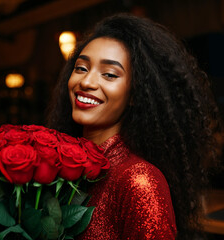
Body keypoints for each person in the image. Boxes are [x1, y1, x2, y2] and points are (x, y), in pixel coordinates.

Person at [47, 14, 222, 239]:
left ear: (135, 94)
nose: (87, 82)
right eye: (81, 68)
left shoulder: (139, 181)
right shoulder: (66, 170)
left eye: (109, 74)